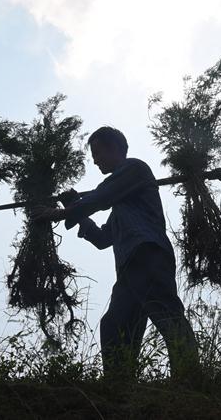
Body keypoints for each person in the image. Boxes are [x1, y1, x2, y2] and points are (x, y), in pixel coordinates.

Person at [38, 127, 199, 380]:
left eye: (98, 152)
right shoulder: (124, 204)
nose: (95, 160)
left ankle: (190, 377)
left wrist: (60, 213)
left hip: (147, 253)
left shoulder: (135, 169)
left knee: (166, 313)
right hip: (129, 267)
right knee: (115, 324)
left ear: (115, 148)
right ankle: (119, 383)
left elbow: (101, 196)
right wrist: (73, 208)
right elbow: (103, 239)